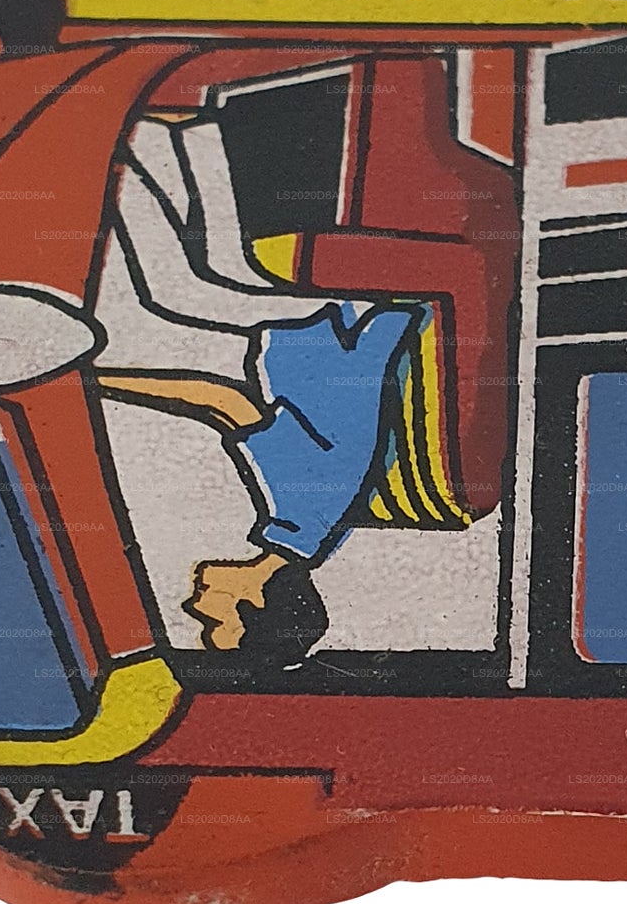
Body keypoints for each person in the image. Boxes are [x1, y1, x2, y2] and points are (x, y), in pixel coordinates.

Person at [90, 112, 417, 665]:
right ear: (257, 601)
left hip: (325, 333)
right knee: (176, 294)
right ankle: (125, 153)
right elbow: (222, 402)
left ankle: (173, 135)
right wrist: (95, 381)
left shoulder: (307, 532)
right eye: (214, 621)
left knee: (204, 281)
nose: (194, 608)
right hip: (341, 322)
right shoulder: (301, 511)